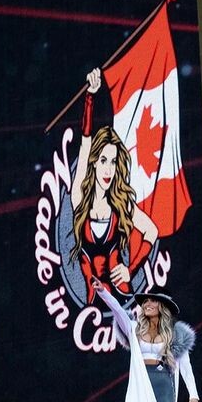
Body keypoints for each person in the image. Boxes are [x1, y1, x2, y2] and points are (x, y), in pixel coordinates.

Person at [70, 67, 157, 305]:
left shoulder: (121, 203)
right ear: (94, 162)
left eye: (113, 162)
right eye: (103, 160)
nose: (108, 169)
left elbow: (151, 231)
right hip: (91, 307)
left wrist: (131, 269)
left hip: (122, 299)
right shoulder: (79, 198)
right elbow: (85, 143)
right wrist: (90, 97)